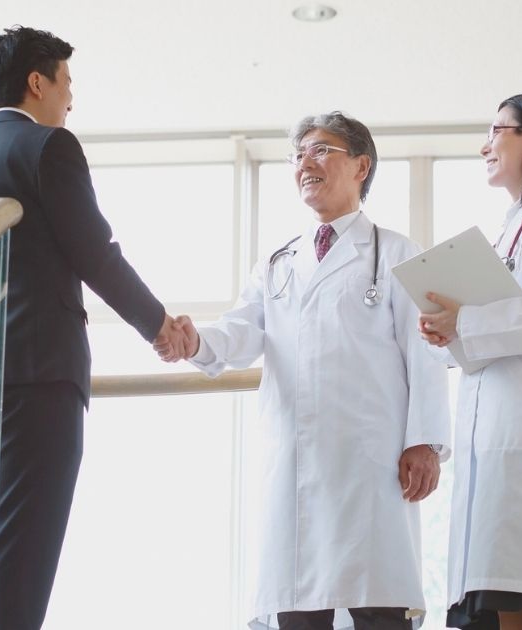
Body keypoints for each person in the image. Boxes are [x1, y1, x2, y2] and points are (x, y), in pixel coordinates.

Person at [0, 26, 189, 630]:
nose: (70, 98)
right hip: (39, 374)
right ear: (37, 82)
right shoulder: (48, 146)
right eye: (66, 82)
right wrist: (158, 325)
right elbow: (94, 251)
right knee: (25, 554)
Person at [164, 112, 451, 630]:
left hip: (370, 463)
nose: (304, 164)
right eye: (298, 155)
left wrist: (425, 442)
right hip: (296, 462)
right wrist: (195, 341)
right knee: (298, 608)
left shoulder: (395, 252)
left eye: (320, 150)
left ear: (361, 166)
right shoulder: (278, 262)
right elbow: (240, 331)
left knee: (378, 606)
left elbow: (425, 353)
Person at [417, 92, 522, 630]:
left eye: (497, 131)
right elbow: (502, 329)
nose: (485, 145)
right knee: (500, 602)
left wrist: (466, 322)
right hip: (494, 441)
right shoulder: (513, 226)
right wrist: (451, 333)